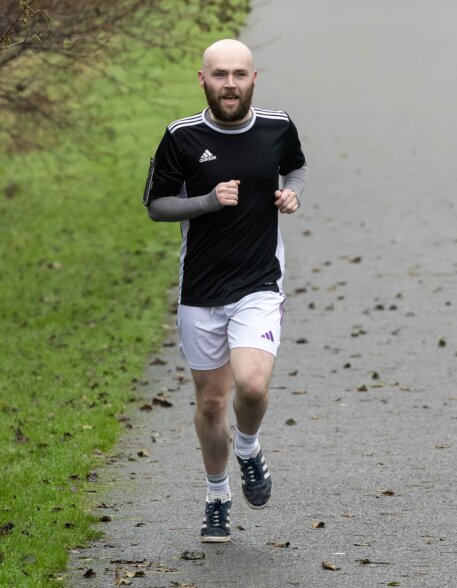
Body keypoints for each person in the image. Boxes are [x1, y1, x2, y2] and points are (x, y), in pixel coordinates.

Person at [144, 38, 307, 543]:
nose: (229, 84)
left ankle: (249, 449)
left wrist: (292, 191)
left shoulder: (278, 127)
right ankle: (217, 497)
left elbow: (297, 165)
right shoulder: (181, 137)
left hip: (258, 282)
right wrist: (207, 202)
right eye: (219, 75)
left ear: (254, 78)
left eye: (239, 74)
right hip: (201, 289)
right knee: (213, 403)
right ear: (202, 79)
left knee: (252, 386)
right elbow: (156, 204)